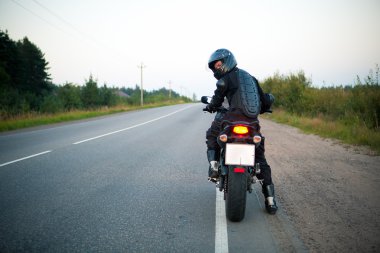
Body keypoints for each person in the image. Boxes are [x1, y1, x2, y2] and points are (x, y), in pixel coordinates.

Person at [204, 48, 278, 214]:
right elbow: (264, 99)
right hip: (251, 123)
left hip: (231, 120)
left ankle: (214, 165)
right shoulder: (250, 78)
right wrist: (267, 105)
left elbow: (217, 99)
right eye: (215, 66)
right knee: (260, 157)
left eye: (218, 64)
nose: (217, 68)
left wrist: (210, 107)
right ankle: (270, 199)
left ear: (227, 61)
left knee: (212, 135)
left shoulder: (224, 80)